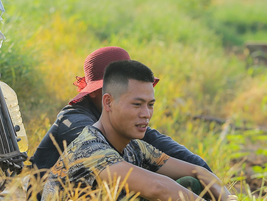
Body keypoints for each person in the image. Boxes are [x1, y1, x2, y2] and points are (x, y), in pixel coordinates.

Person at [40, 60, 250, 201]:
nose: (146, 114)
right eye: (137, 104)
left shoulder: (135, 147)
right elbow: (156, 188)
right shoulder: (89, 147)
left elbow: (197, 171)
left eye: (150, 105)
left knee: (190, 184)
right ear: (108, 102)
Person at [33, 46, 213, 172]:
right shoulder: (73, 121)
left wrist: (203, 172)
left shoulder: (120, 119)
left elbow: (161, 145)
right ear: (97, 94)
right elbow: (109, 158)